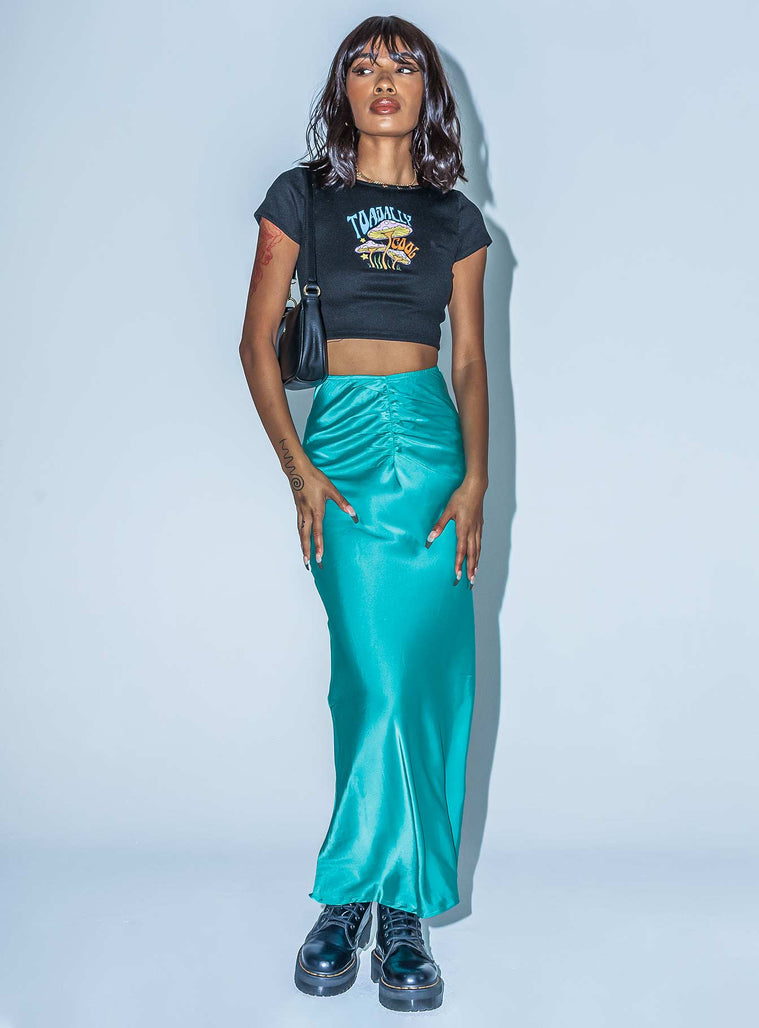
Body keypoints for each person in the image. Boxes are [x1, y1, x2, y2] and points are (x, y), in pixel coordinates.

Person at [239, 15, 491, 1014]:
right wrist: (297, 470)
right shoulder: (300, 197)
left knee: (421, 684)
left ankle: (393, 908)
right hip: (338, 448)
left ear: (429, 93)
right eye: (363, 64)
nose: (383, 79)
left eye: (403, 65)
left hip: (431, 451)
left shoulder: (457, 220)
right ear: (341, 89)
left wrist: (476, 481)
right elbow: (255, 343)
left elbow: (467, 362)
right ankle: (361, 891)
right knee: (369, 682)